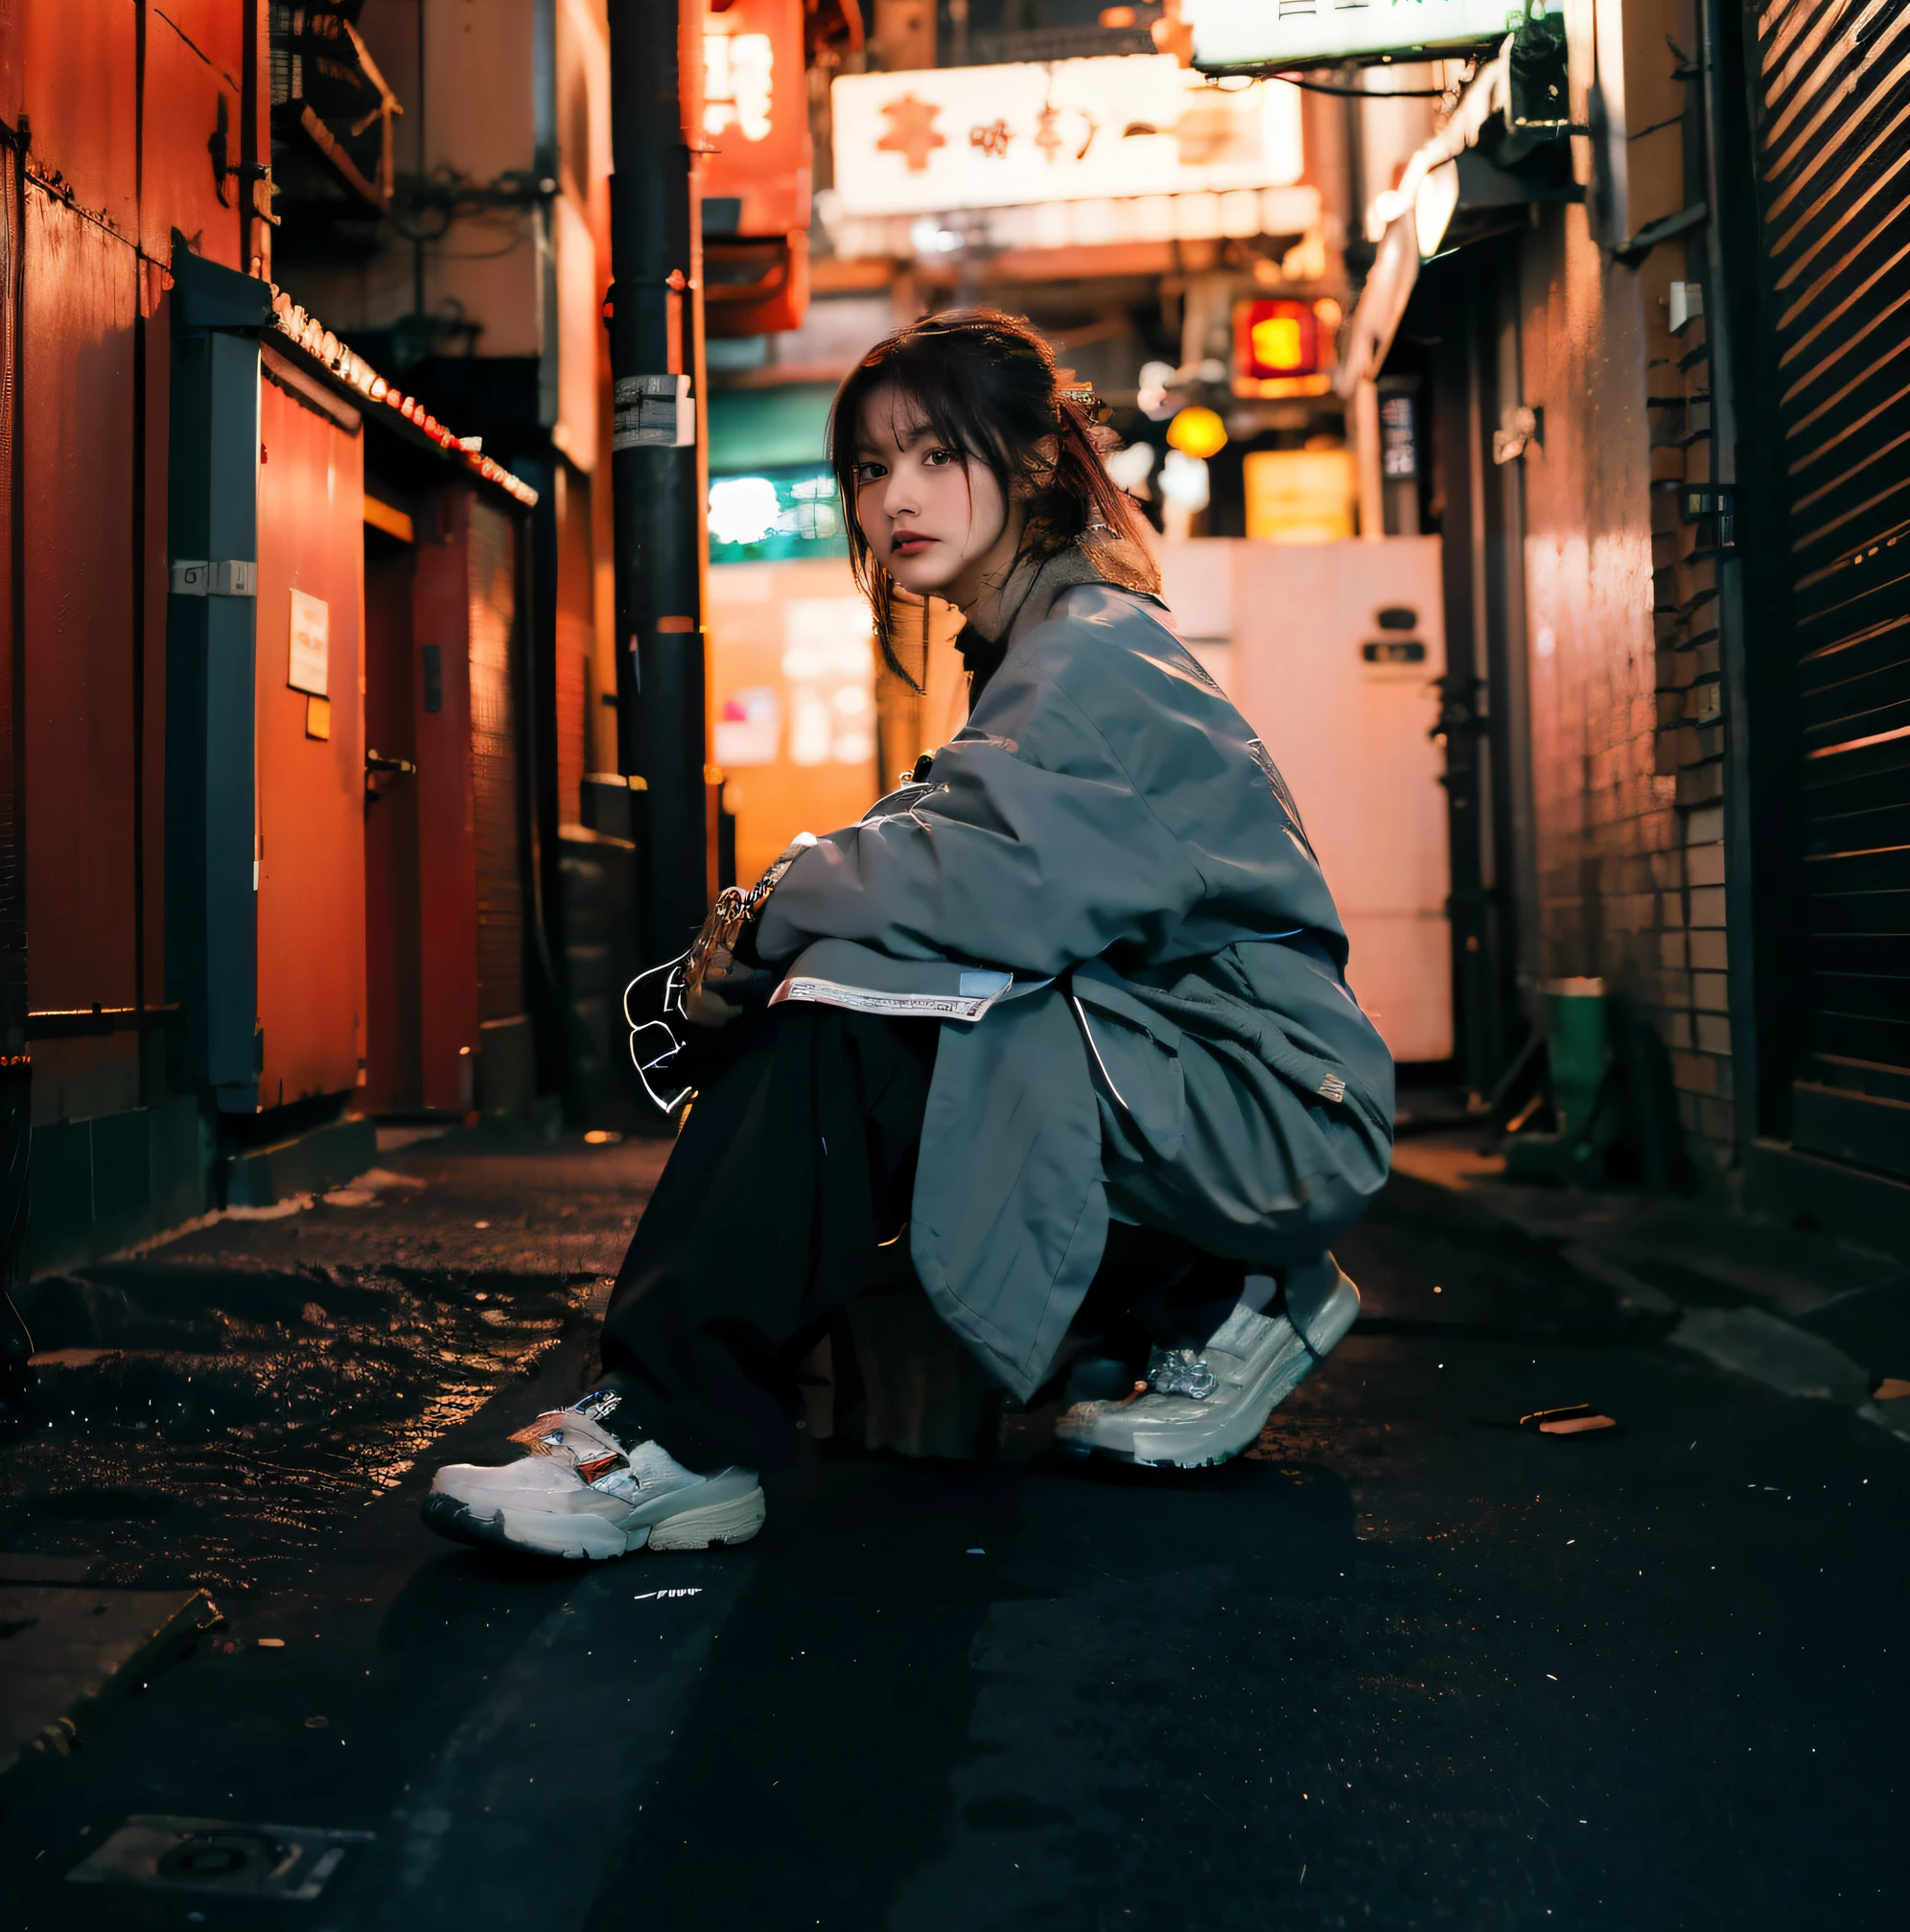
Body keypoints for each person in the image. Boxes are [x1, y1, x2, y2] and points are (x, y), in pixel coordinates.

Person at [425, 313, 1393, 1563]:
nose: (897, 499)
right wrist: (782, 917)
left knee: (860, 1011)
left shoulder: (1096, 658)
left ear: (1038, 462)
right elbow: (955, 860)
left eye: (938, 456)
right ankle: (1214, 1296)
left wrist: (774, 905)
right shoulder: (1042, 644)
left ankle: (675, 1432)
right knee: (874, 993)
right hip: (1195, 1072)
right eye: (872, 470)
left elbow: (986, 882)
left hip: (1268, 1102)